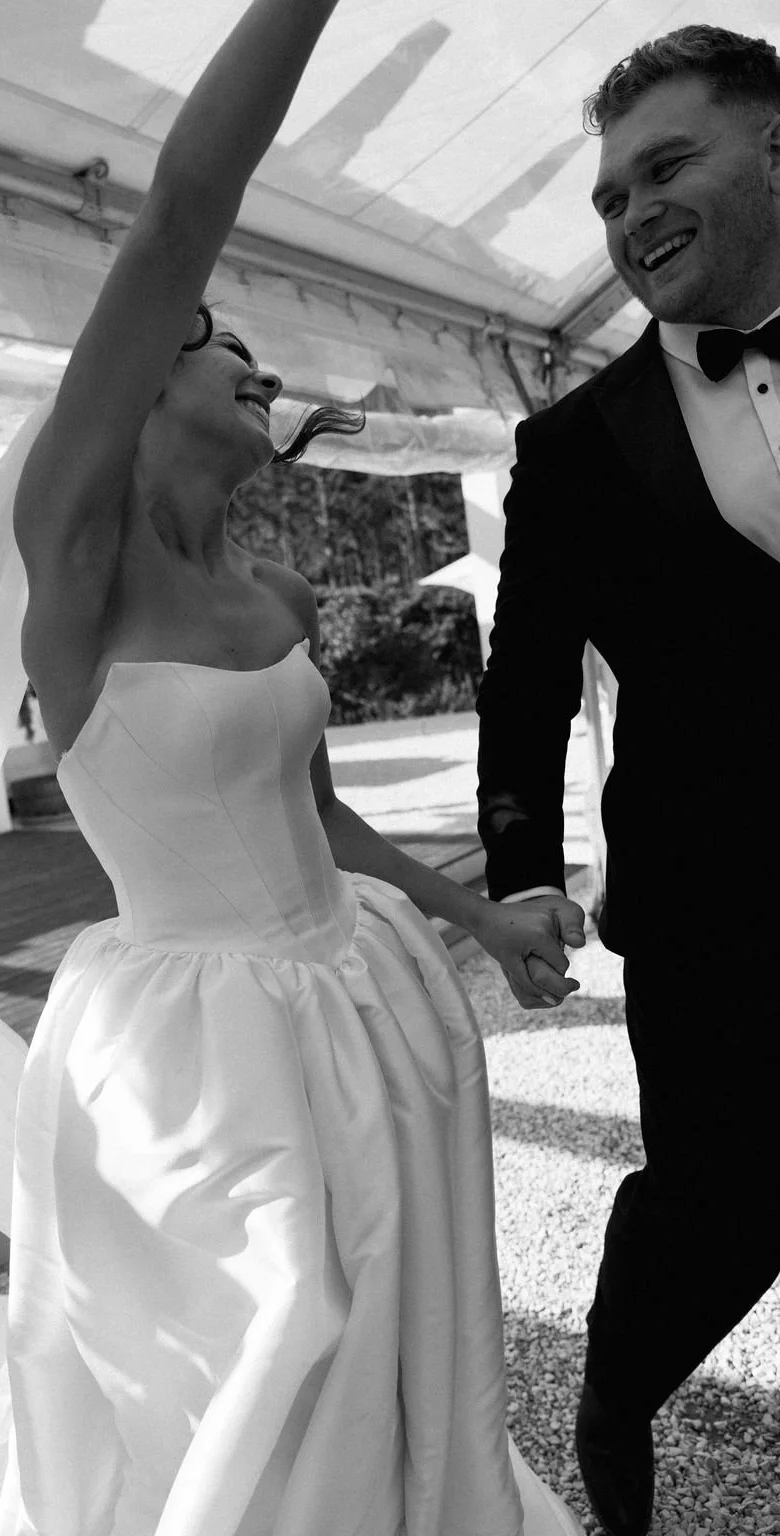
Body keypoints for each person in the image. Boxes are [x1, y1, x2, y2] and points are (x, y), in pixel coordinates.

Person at [0, 3, 586, 1533]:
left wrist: (482, 918)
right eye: (226, 352)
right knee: (264, 1350)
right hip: (196, 1059)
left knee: (386, 1334)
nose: (259, 374)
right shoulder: (78, 572)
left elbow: (318, 815)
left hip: (365, 997)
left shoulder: (274, 592)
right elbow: (183, 210)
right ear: (133, 398)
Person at [476, 23, 780, 1536]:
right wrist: (521, 871)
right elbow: (526, 676)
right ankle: (617, 1389)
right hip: (711, 909)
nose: (632, 214)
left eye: (667, 167)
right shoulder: (573, 446)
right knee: (718, 1200)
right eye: (610, 198)